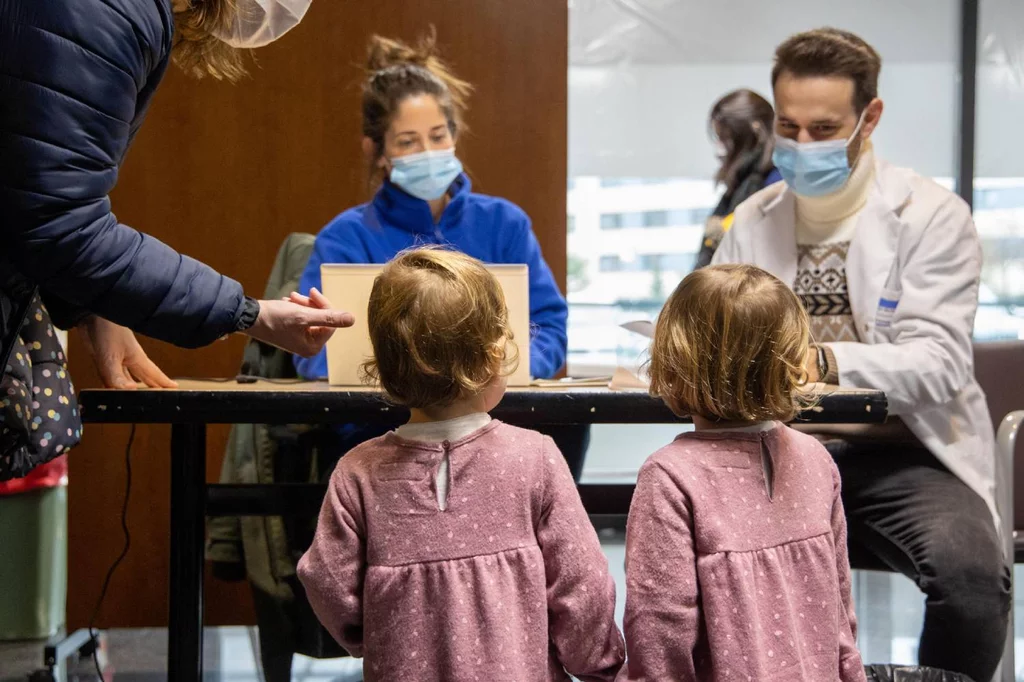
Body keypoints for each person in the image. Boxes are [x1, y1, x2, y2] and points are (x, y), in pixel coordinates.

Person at [713, 28, 1010, 682]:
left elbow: (938, 364)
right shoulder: (753, 222)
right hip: (780, 452)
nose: (801, 146)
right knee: (703, 563)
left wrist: (821, 363)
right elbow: (720, 335)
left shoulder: (931, 215)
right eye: (788, 126)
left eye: (824, 129)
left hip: (905, 454)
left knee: (971, 580)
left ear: (869, 117)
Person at [298, 248, 625, 681]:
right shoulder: (536, 458)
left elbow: (328, 582)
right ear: (494, 355)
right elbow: (581, 588)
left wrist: (377, 633)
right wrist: (600, 666)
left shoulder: (357, 472)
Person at [0, 0, 353, 395]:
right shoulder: (108, 12)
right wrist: (250, 313)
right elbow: (58, 221)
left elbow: (28, 175)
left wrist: (91, 306)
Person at [294, 33, 584, 477]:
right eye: (408, 141)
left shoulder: (504, 223)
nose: (427, 152)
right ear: (377, 150)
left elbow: (547, 326)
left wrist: (498, 378)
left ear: (455, 134)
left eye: (437, 135)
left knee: (571, 429)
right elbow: (313, 350)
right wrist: (415, 387)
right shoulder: (345, 237)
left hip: (497, 424)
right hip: (381, 433)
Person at [619, 264, 865, 682]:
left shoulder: (669, 477)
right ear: (792, 362)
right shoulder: (816, 459)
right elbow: (842, 613)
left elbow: (659, 631)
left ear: (672, 362)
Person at [694, 89, 783, 269]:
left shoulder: (775, 183)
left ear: (754, 132)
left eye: (727, 139)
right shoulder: (737, 186)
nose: (721, 149)